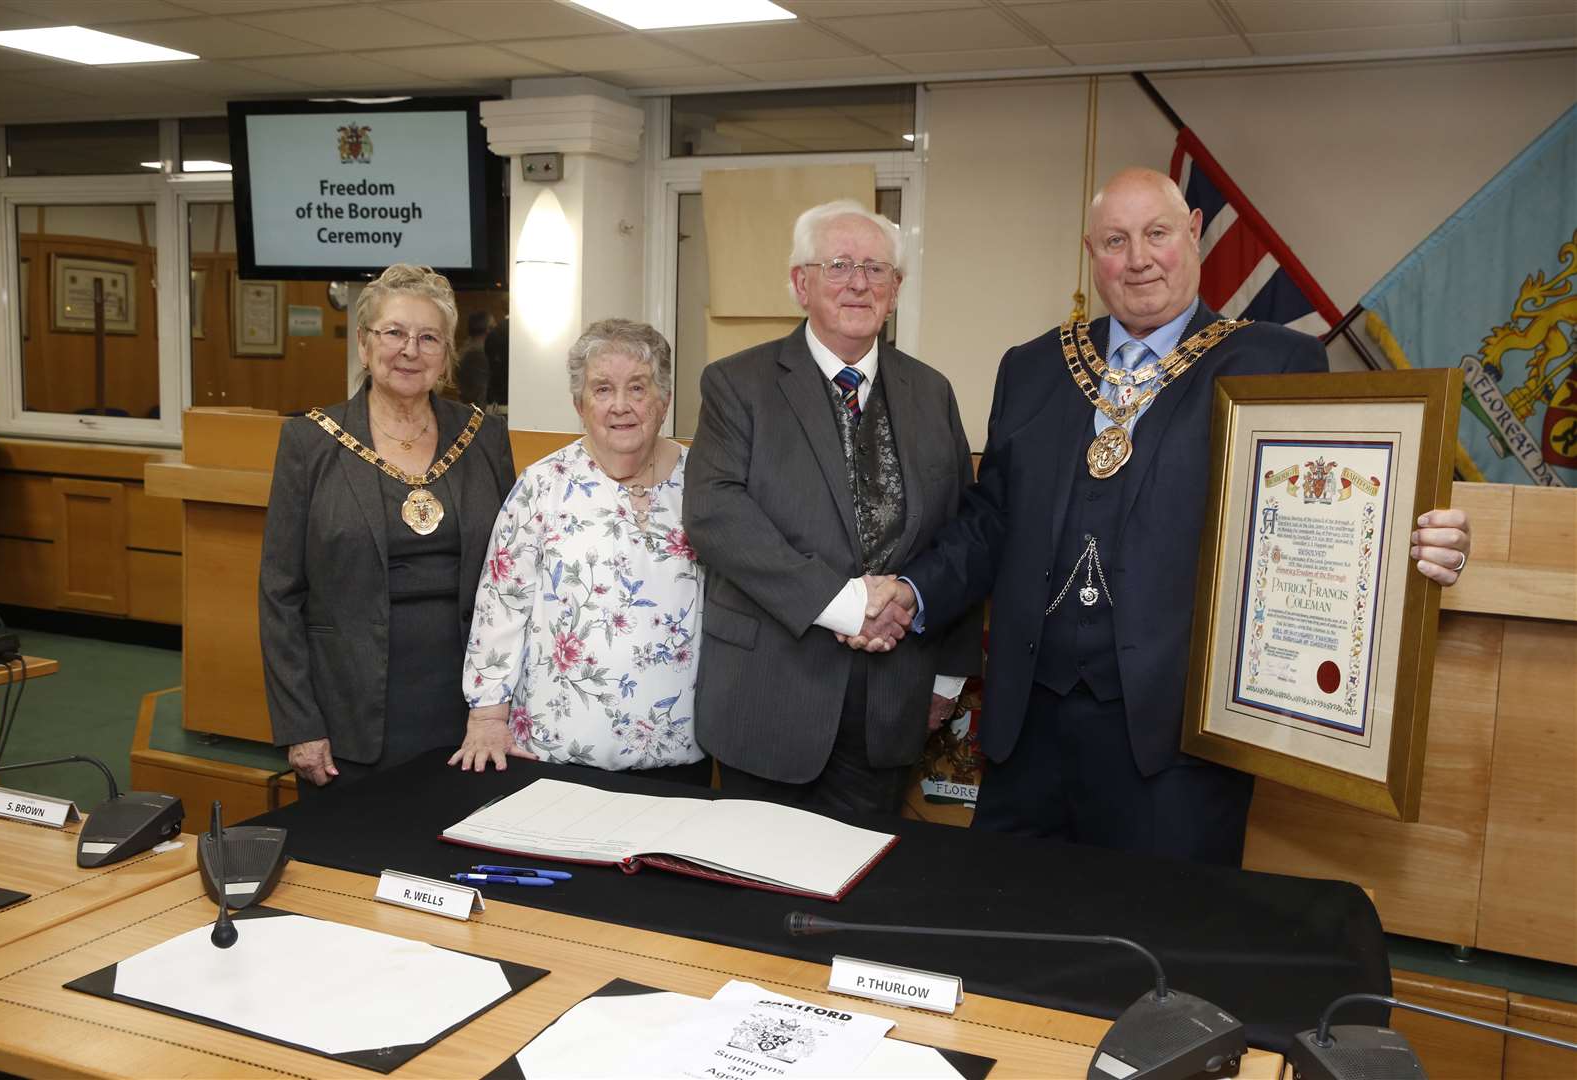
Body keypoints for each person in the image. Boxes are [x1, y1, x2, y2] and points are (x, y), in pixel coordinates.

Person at [869, 168, 1472, 864]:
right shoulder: (1033, 367)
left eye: (1156, 233)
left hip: (1176, 742)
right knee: (1009, 933)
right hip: (1025, 728)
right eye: (1115, 241)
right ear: (1092, 254)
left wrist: (1418, 543)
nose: (1138, 258)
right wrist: (914, 591)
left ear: (1191, 233)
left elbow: (1326, 515)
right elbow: (989, 520)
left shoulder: (1273, 363)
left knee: (1163, 949)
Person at [682, 199, 981, 815]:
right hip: (769, 697)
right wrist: (847, 607)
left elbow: (961, 533)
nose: (858, 284)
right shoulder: (737, 384)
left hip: (893, 701)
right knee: (753, 890)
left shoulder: (932, 391)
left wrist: (949, 674)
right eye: (839, 265)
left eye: (876, 270)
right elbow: (716, 513)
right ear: (801, 283)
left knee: (864, 888)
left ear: (895, 290)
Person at [259, 264, 516, 794]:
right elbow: (279, 593)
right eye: (394, 333)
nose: (410, 350)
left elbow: (512, 579)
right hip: (349, 709)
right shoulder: (310, 442)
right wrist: (300, 723)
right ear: (364, 343)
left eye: (428, 338)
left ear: (445, 353)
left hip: (469, 708)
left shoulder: (484, 437)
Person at [458, 318, 709, 785]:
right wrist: (487, 717)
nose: (621, 406)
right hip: (555, 749)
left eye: (638, 388)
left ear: (664, 400)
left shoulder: (703, 483)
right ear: (579, 404)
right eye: (602, 389)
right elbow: (500, 606)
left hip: (679, 750)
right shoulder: (541, 485)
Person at [458, 310, 493, 407]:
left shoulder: (469, 347)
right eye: (493, 327)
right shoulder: (477, 354)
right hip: (476, 414)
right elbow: (480, 395)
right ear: (488, 330)